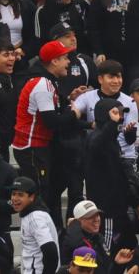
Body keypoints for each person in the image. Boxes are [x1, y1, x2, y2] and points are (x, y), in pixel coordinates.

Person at [11, 40, 82, 222]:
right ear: (54, 61)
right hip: (32, 146)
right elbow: (51, 121)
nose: (68, 62)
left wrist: (68, 100)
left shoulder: (48, 82)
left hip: (38, 145)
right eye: (65, 58)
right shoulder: (43, 83)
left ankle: (53, 229)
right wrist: (75, 114)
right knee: (39, 193)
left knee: (48, 190)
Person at [84, 98, 139, 252]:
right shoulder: (95, 138)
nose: (120, 118)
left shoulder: (113, 142)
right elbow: (97, 145)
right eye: (115, 113)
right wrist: (112, 124)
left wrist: (135, 203)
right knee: (107, 251)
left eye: (121, 114)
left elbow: (121, 176)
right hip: (107, 211)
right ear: (104, 115)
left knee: (131, 246)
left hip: (120, 208)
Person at [9, 176, 59, 274]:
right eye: (13, 194)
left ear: (31, 197)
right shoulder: (29, 213)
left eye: (20, 195)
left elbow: (50, 251)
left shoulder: (35, 218)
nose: (15, 198)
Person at [60, 200, 111, 273]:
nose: (96, 219)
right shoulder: (71, 238)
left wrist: (117, 264)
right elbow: (77, 243)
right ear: (79, 220)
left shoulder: (99, 237)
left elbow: (106, 267)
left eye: (97, 215)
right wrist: (74, 224)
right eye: (91, 217)